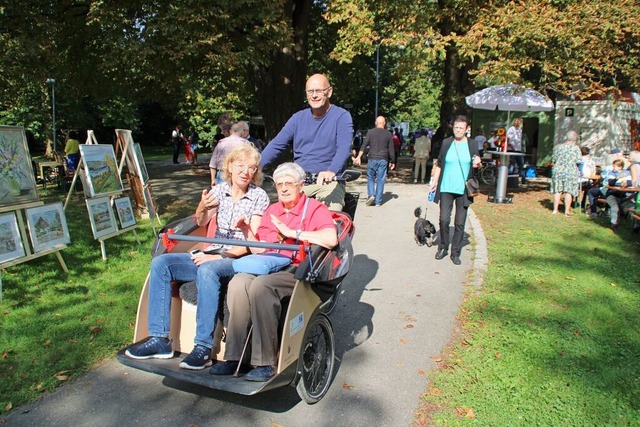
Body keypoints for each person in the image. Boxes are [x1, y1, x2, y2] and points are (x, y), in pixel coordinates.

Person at [125, 144, 269, 370]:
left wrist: (220, 256)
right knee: (161, 263)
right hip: (212, 253)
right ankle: (160, 339)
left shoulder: (259, 196)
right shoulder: (220, 190)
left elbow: (252, 242)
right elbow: (201, 221)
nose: (246, 172)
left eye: (251, 168)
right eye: (240, 166)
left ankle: (202, 348)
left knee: (208, 269)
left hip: (236, 258)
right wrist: (202, 205)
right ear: (229, 167)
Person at [209, 162, 338, 381]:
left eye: (289, 184)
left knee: (261, 286)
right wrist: (246, 231)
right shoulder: (272, 211)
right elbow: (260, 248)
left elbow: (330, 239)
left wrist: (292, 232)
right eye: (279, 185)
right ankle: (234, 357)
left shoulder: (315, 208)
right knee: (238, 282)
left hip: (299, 269)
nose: (284, 189)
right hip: (269, 263)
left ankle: (264, 362)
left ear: (300, 186)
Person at [259, 74, 353, 211]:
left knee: (330, 217)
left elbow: (344, 148)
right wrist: (255, 166)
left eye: (319, 91)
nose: (314, 95)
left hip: (328, 183)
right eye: (310, 91)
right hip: (299, 182)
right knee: (279, 217)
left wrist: (331, 171)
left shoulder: (341, 116)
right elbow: (277, 144)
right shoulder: (298, 118)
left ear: (329, 92)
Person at [429, 115, 481, 266]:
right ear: (453, 128)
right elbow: (439, 163)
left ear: (466, 129)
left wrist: (478, 162)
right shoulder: (446, 143)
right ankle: (443, 247)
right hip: (446, 187)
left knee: (459, 222)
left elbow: (476, 163)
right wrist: (434, 181)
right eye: (456, 127)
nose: (458, 130)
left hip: (463, 189)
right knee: (444, 219)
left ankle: (455, 252)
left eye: (461, 128)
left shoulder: (472, 144)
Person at [353, 116, 395, 206]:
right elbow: (391, 149)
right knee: (381, 179)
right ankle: (378, 202)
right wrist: (393, 161)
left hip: (372, 158)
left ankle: (371, 194)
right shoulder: (388, 134)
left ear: (376, 123)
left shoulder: (370, 132)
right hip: (383, 159)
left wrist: (359, 156)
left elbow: (364, 145)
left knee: (371, 177)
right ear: (384, 123)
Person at [550, 130, 582, 216]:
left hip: (558, 170)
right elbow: (579, 161)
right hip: (570, 171)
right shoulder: (576, 148)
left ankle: (555, 210)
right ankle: (566, 211)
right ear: (575, 139)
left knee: (557, 190)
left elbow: (553, 159)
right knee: (569, 191)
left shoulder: (558, 147)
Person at [209, 122, 250, 186]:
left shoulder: (221, 143)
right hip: (240, 173)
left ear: (230, 131)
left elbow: (213, 163)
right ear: (241, 132)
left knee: (222, 194)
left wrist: (213, 179)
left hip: (223, 173)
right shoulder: (245, 144)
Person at [507, 118, 526, 183]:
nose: (518, 123)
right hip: (512, 149)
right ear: (514, 123)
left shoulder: (520, 130)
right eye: (516, 122)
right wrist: (510, 145)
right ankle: (511, 179)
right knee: (513, 164)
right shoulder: (511, 129)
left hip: (518, 149)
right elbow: (507, 139)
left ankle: (523, 178)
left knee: (521, 164)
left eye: (519, 122)